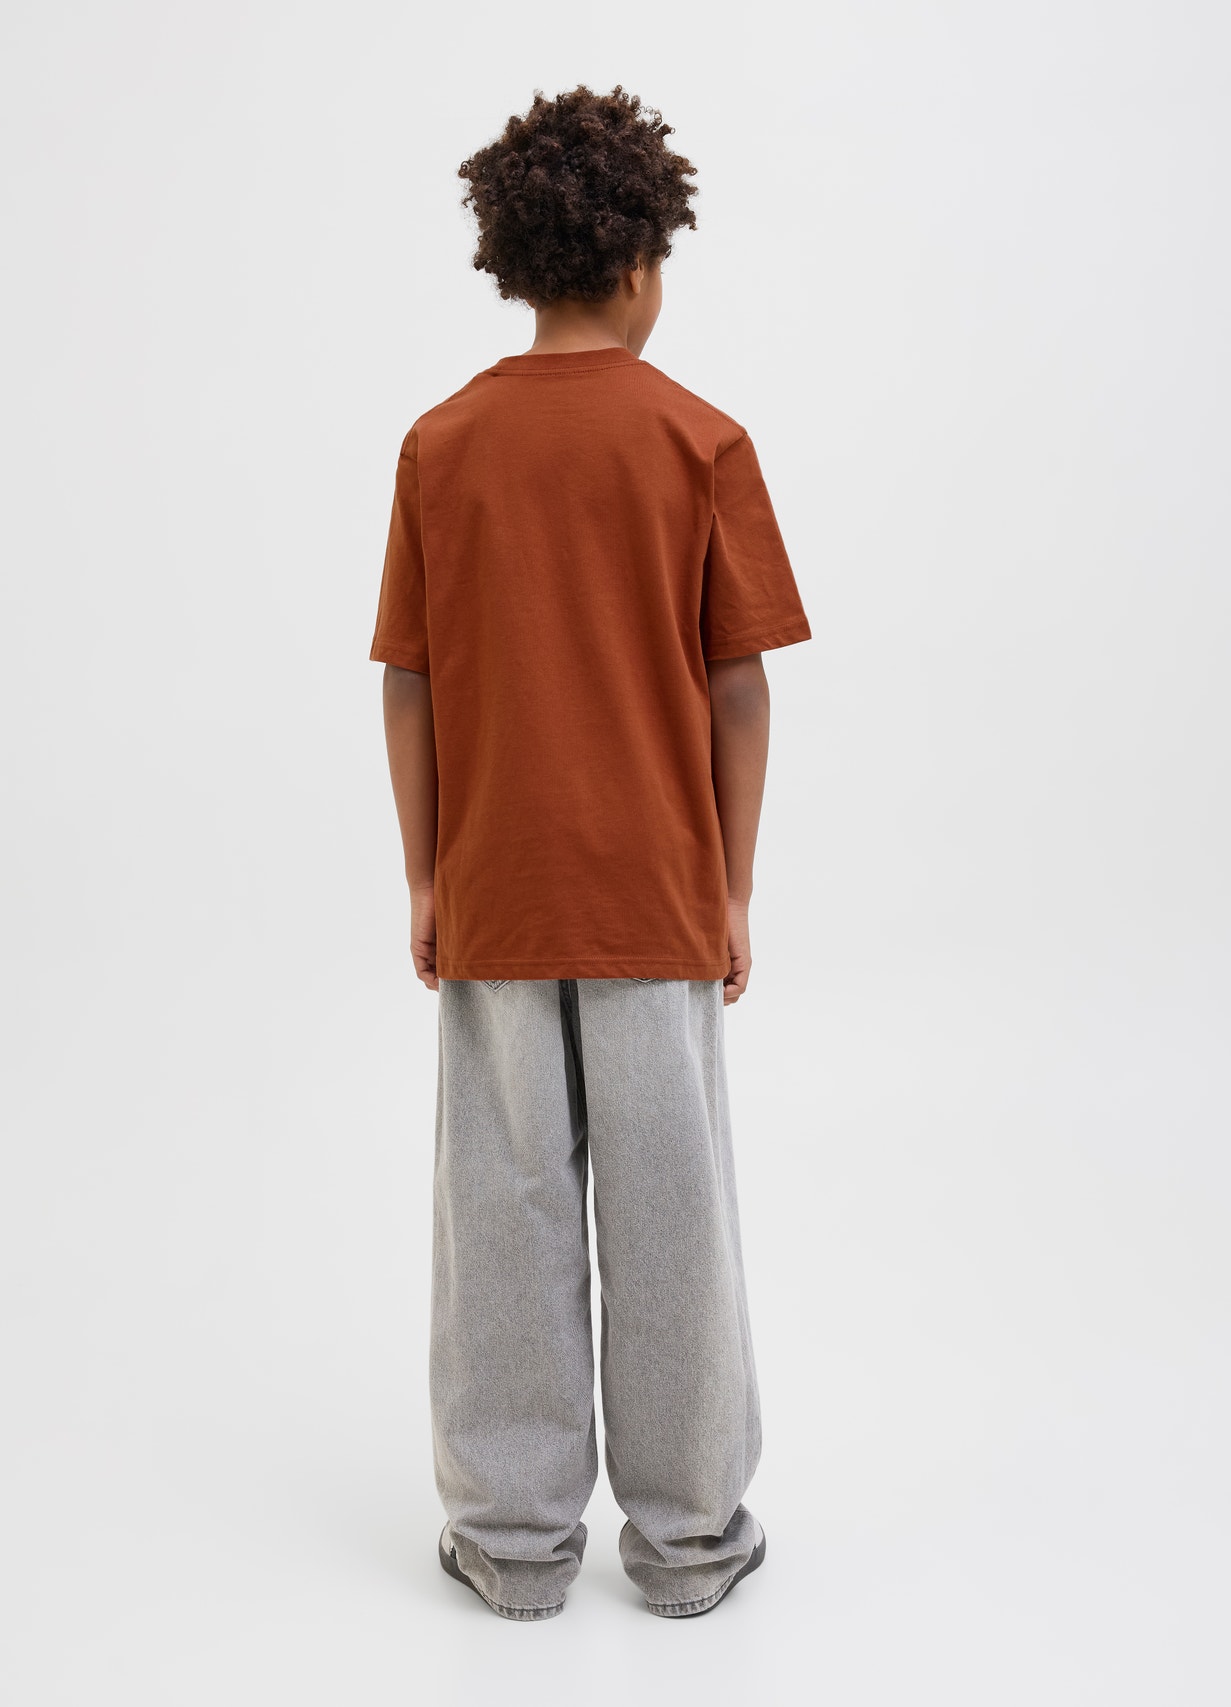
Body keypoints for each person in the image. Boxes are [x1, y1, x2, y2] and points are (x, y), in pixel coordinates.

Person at [369, 83, 812, 1621]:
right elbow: (739, 688)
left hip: (498, 891)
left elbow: (411, 683)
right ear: (637, 261)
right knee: (674, 1214)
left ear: (516, 258)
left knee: (504, 1213)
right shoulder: (700, 439)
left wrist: (426, 873)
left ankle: (511, 1544)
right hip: (656, 893)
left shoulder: (440, 447)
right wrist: (732, 884)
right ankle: (690, 1544)